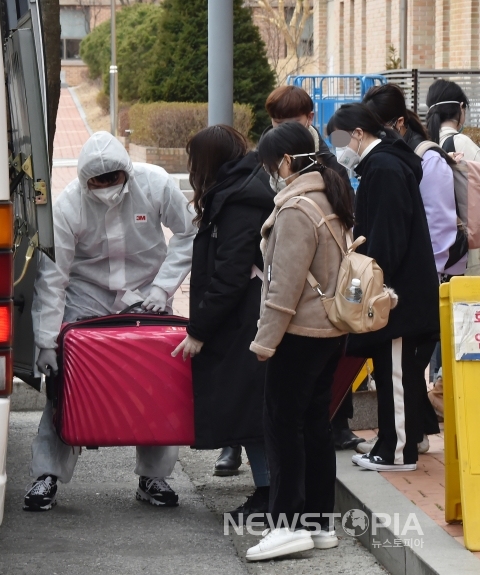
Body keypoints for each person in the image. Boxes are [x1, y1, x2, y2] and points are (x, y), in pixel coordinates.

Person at [26, 131, 196, 511]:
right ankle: (47, 475)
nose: (105, 188)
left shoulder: (155, 184)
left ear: (127, 173)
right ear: (84, 180)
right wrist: (46, 342)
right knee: (66, 390)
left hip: (146, 299)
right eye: (97, 182)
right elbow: (54, 276)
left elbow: (188, 234)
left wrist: (163, 288)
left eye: (113, 179)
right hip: (87, 301)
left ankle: (154, 477)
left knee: (155, 387)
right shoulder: (67, 206)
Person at [246, 121, 355, 561]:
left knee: (281, 427)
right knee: (313, 426)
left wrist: (264, 342)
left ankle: (287, 525)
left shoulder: (296, 209)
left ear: (286, 162)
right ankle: (318, 522)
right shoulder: (332, 197)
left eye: (273, 166)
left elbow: (282, 286)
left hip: (298, 333)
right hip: (330, 332)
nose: (272, 174)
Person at [326, 104, 440, 472]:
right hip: (397, 291)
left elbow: (387, 239)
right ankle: (393, 442)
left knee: (396, 372)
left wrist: (372, 287)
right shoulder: (386, 165)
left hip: (395, 295)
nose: (339, 148)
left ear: (358, 133)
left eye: (340, 139)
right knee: (394, 371)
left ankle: (397, 451)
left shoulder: (384, 169)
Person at [172, 125, 276, 522]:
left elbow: (231, 273)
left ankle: (269, 495)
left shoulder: (240, 201)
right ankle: (267, 492)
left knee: (252, 413)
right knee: (250, 412)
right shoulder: (242, 189)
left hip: (245, 320)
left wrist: (199, 330)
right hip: (244, 317)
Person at [265, 84, 365, 452]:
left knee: (297, 418)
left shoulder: (328, 159)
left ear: (309, 119)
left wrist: (265, 339)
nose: (282, 129)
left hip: (308, 312)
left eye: (290, 121)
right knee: (308, 417)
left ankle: (341, 424)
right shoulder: (271, 158)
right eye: (276, 122)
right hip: (319, 314)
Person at [361, 84, 453, 454]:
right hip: (409, 278)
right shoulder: (391, 159)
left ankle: (402, 444)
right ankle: (410, 435)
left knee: (403, 367)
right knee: (401, 369)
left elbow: (438, 225)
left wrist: (426, 273)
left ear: (398, 122)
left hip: (419, 278)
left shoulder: (421, 160)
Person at [426, 79, 480, 278]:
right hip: (467, 249)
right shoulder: (460, 142)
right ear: (461, 108)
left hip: (441, 248)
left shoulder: (428, 145)